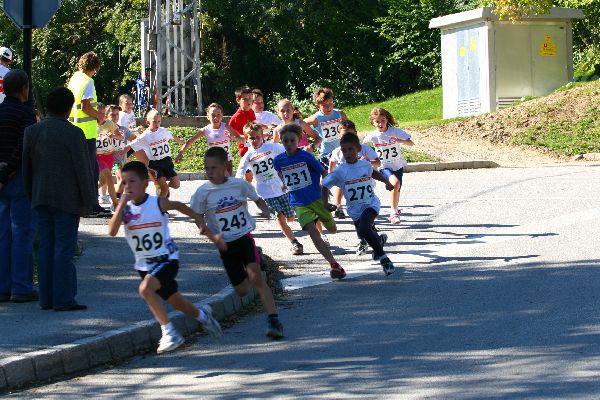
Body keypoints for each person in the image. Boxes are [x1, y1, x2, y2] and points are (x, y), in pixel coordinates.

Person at [108, 161, 223, 354]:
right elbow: (111, 231)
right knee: (176, 302)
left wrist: (198, 217)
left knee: (145, 290)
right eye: (124, 182)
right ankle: (204, 316)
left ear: (145, 184)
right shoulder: (125, 210)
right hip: (144, 265)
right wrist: (120, 205)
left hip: (166, 259)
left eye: (132, 182)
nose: (127, 187)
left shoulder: (156, 203)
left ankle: (169, 332)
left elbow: (178, 205)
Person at [190, 147, 284, 339]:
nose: (209, 172)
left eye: (214, 168)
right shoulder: (203, 192)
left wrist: (265, 210)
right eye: (207, 168)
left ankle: (274, 320)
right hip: (225, 245)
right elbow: (197, 215)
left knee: (257, 279)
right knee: (242, 291)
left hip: (243, 237)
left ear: (225, 166)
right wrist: (204, 229)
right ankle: (251, 265)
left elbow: (257, 199)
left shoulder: (239, 185)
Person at [22, 87, 96, 311]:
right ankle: (63, 299)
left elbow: (27, 168)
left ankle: (46, 298)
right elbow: (83, 170)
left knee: (45, 246)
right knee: (63, 248)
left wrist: (31, 194)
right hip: (67, 199)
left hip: (40, 196)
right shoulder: (74, 133)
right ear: (68, 108)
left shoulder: (32, 131)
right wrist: (89, 201)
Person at [273, 123, 346, 280]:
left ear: (299, 140)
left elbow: (323, 172)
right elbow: (281, 174)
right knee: (313, 232)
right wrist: (286, 185)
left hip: (317, 199)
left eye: (292, 140)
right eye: (286, 141)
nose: (289, 144)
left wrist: (326, 192)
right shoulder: (278, 160)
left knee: (332, 230)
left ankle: (318, 217)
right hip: (299, 203)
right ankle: (334, 264)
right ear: (281, 142)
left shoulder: (306, 156)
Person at [322, 133, 396, 275]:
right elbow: (324, 185)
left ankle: (384, 258)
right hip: (354, 209)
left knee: (364, 228)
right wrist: (325, 203)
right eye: (344, 150)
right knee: (363, 233)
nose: (347, 153)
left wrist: (386, 182)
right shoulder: (340, 171)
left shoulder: (365, 164)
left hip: (370, 204)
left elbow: (374, 173)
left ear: (358, 149)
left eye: (351, 149)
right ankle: (378, 240)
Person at [235, 122, 303, 255]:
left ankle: (297, 229)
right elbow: (240, 173)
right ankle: (295, 243)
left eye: (257, 137)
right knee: (279, 217)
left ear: (262, 136)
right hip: (265, 192)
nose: (254, 140)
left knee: (290, 218)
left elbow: (290, 150)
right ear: (246, 139)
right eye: (251, 138)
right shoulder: (248, 156)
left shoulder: (272, 147)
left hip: (281, 188)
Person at [0, 69, 38, 303]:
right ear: (24, 88)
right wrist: (8, 171)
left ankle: (2, 286)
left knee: (2, 235)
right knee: (22, 233)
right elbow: (23, 146)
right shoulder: (25, 113)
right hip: (18, 178)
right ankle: (21, 287)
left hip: (1, 179)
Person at [67, 51, 110, 217]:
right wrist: (99, 115)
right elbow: (86, 106)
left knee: (79, 169)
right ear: (94, 68)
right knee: (91, 170)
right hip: (87, 132)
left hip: (73, 128)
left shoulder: (74, 79)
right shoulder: (88, 81)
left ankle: (82, 204)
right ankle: (91, 205)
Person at [328, 120, 381, 240]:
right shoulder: (337, 152)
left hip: (365, 187)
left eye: (350, 135)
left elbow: (377, 162)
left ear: (356, 134)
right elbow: (331, 170)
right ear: (339, 136)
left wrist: (367, 161)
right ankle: (363, 240)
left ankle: (372, 235)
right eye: (343, 136)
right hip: (350, 190)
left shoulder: (364, 149)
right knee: (358, 217)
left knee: (367, 213)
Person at [363, 107, 414, 224]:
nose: (380, 124)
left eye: (383, 120)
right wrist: (365, 157)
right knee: (395, 183)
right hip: (383, 165)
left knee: (397, 188)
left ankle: (395, 209)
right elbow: (363, 146)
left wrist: (399, 141)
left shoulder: (395, 131)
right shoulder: (373, 135)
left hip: (397, 164)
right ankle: (393, 213)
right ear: (372, 122)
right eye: (377, 121)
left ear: (387, 119)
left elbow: (411, 143)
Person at [304, 87, 348, 219]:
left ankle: (338, 206)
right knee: (325, 181)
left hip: (340, 152)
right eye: (325, 105)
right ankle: (322, 203)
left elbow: (349, 128)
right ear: (318, 105)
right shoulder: (317, 118)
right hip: (326, 154)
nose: (329, 107)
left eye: (331, 103)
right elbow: (301, 123)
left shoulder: (340, 114)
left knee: (340, 178)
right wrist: (308, 138)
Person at [128, 109, 185, 198]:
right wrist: (122, 152)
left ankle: (163, 188)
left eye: (159, 121)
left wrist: (181, 141)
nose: (157, 124)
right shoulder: (145, 135)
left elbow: (172, 136)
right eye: (154, 122)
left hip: (167, 161)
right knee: (164, 189)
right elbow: (131, 145)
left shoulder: (163, 131)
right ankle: (160, 208)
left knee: (176, 184)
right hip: (155, 164)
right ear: (147, 122)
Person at [176, 103, 245, 175]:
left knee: (226, 184)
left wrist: (234, 138)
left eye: (218, 115)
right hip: (214, 162)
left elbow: (240, 139)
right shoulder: (205, 130)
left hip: (226, 161)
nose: (216, 118)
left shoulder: (227, 127)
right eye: (213, 115)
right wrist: (181, 152)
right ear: (208, 116)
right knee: (223, 181)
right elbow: (190, 141)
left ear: (222, 116)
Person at [96, 105, 124, 210]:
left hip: (110, 156)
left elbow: (120, 137)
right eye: (100, 113)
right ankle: (116, 204)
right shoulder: (92, 125)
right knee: (109, 177)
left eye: (104, 113)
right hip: (98, 156)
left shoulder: (110, 124)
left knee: (103, 181)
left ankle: (90, 191)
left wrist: (113, 136)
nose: (102, 115)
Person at [228, 86, 256, 158]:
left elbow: (254, 127)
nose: (248, 101)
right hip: (245, 151)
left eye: (250, 98)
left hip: (256, 148)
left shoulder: (251, 111)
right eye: (245, 99)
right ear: (238, 100)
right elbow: (229, 134)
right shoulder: (236, 117)